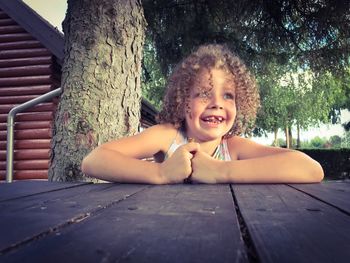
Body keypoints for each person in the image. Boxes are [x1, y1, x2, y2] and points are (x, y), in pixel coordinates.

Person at [81, 44, 324, 184]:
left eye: (228, 95)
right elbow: (93, 161)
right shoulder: (167, 137)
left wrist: (220, 171)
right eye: (204, 94)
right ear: (183, 101)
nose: (217, 103)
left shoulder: (234, 147)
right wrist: (161, 172)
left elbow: (311, 169)